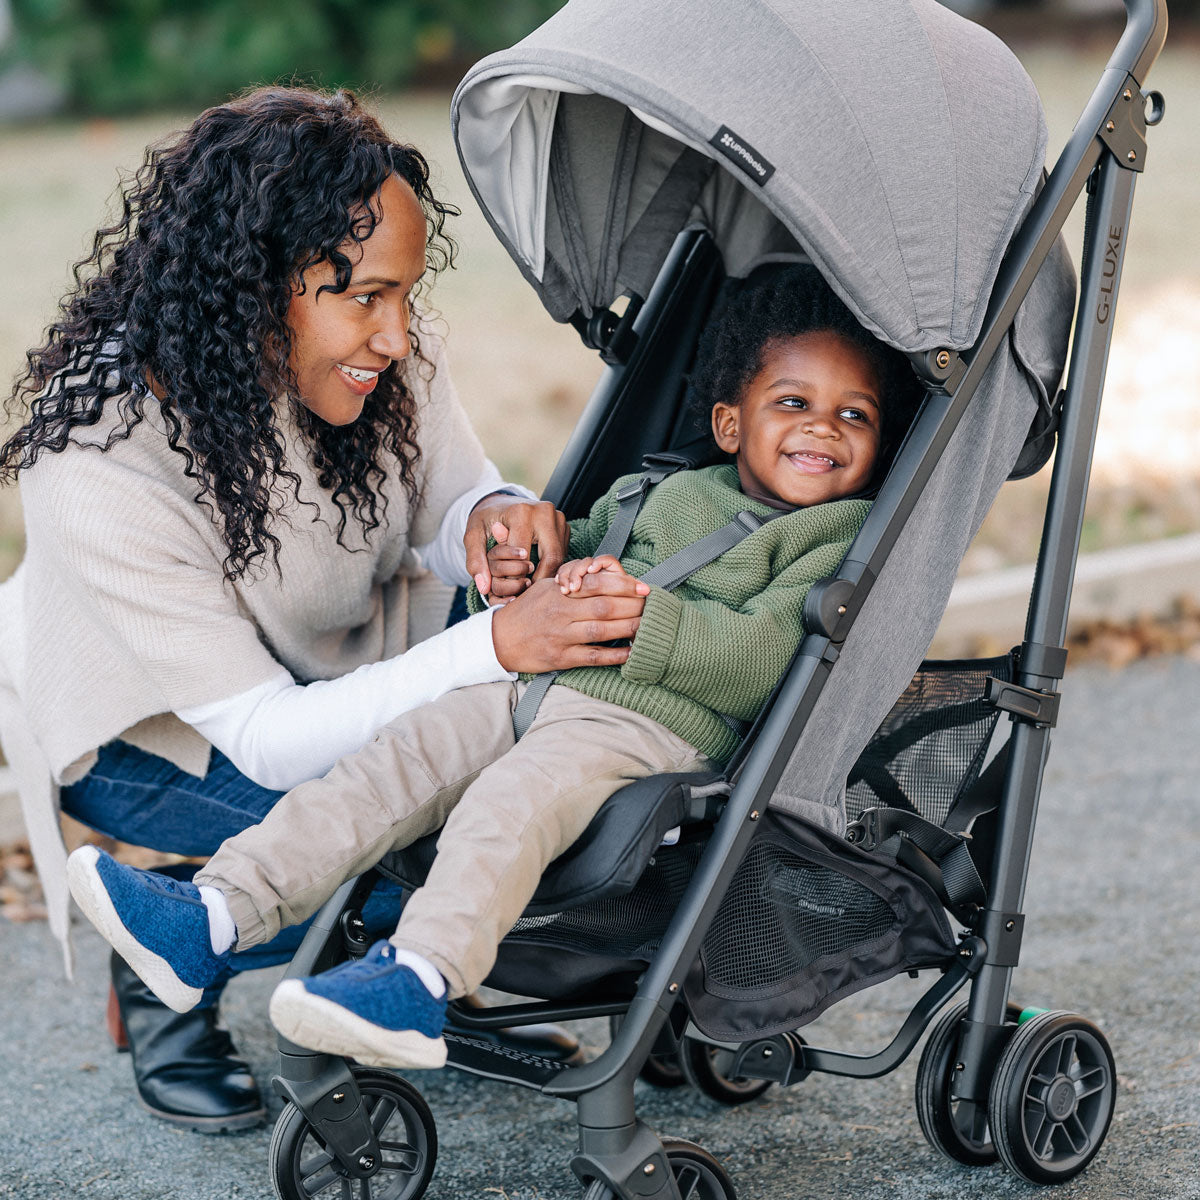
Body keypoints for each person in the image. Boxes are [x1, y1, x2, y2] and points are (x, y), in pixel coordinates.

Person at [65, 263, 922, 1070]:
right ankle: (216, 913)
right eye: (795, 402)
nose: (823, 426)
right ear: (730, 422)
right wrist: (516, 578)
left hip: (641, 730)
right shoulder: (659, 490)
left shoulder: (831, 539)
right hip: (525, 690)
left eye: (856, 416)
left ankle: (420, 979)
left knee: (505, 804)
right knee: (388, 765)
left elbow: (766, 661)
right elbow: (561, 576)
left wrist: (648, 623)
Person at [0, 87, 651, 1131]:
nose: (398, 332)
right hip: (154, 735)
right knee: (403, 870)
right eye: (363, 297)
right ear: (251, 287)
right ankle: (173, 949)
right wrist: (494, 640)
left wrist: (495, 521)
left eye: (405, 292)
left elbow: (452, 502)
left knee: (518, 825)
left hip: (345, 654)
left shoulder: (377, 347)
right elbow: (266, 740)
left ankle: (402, 967)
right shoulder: (95, 460)